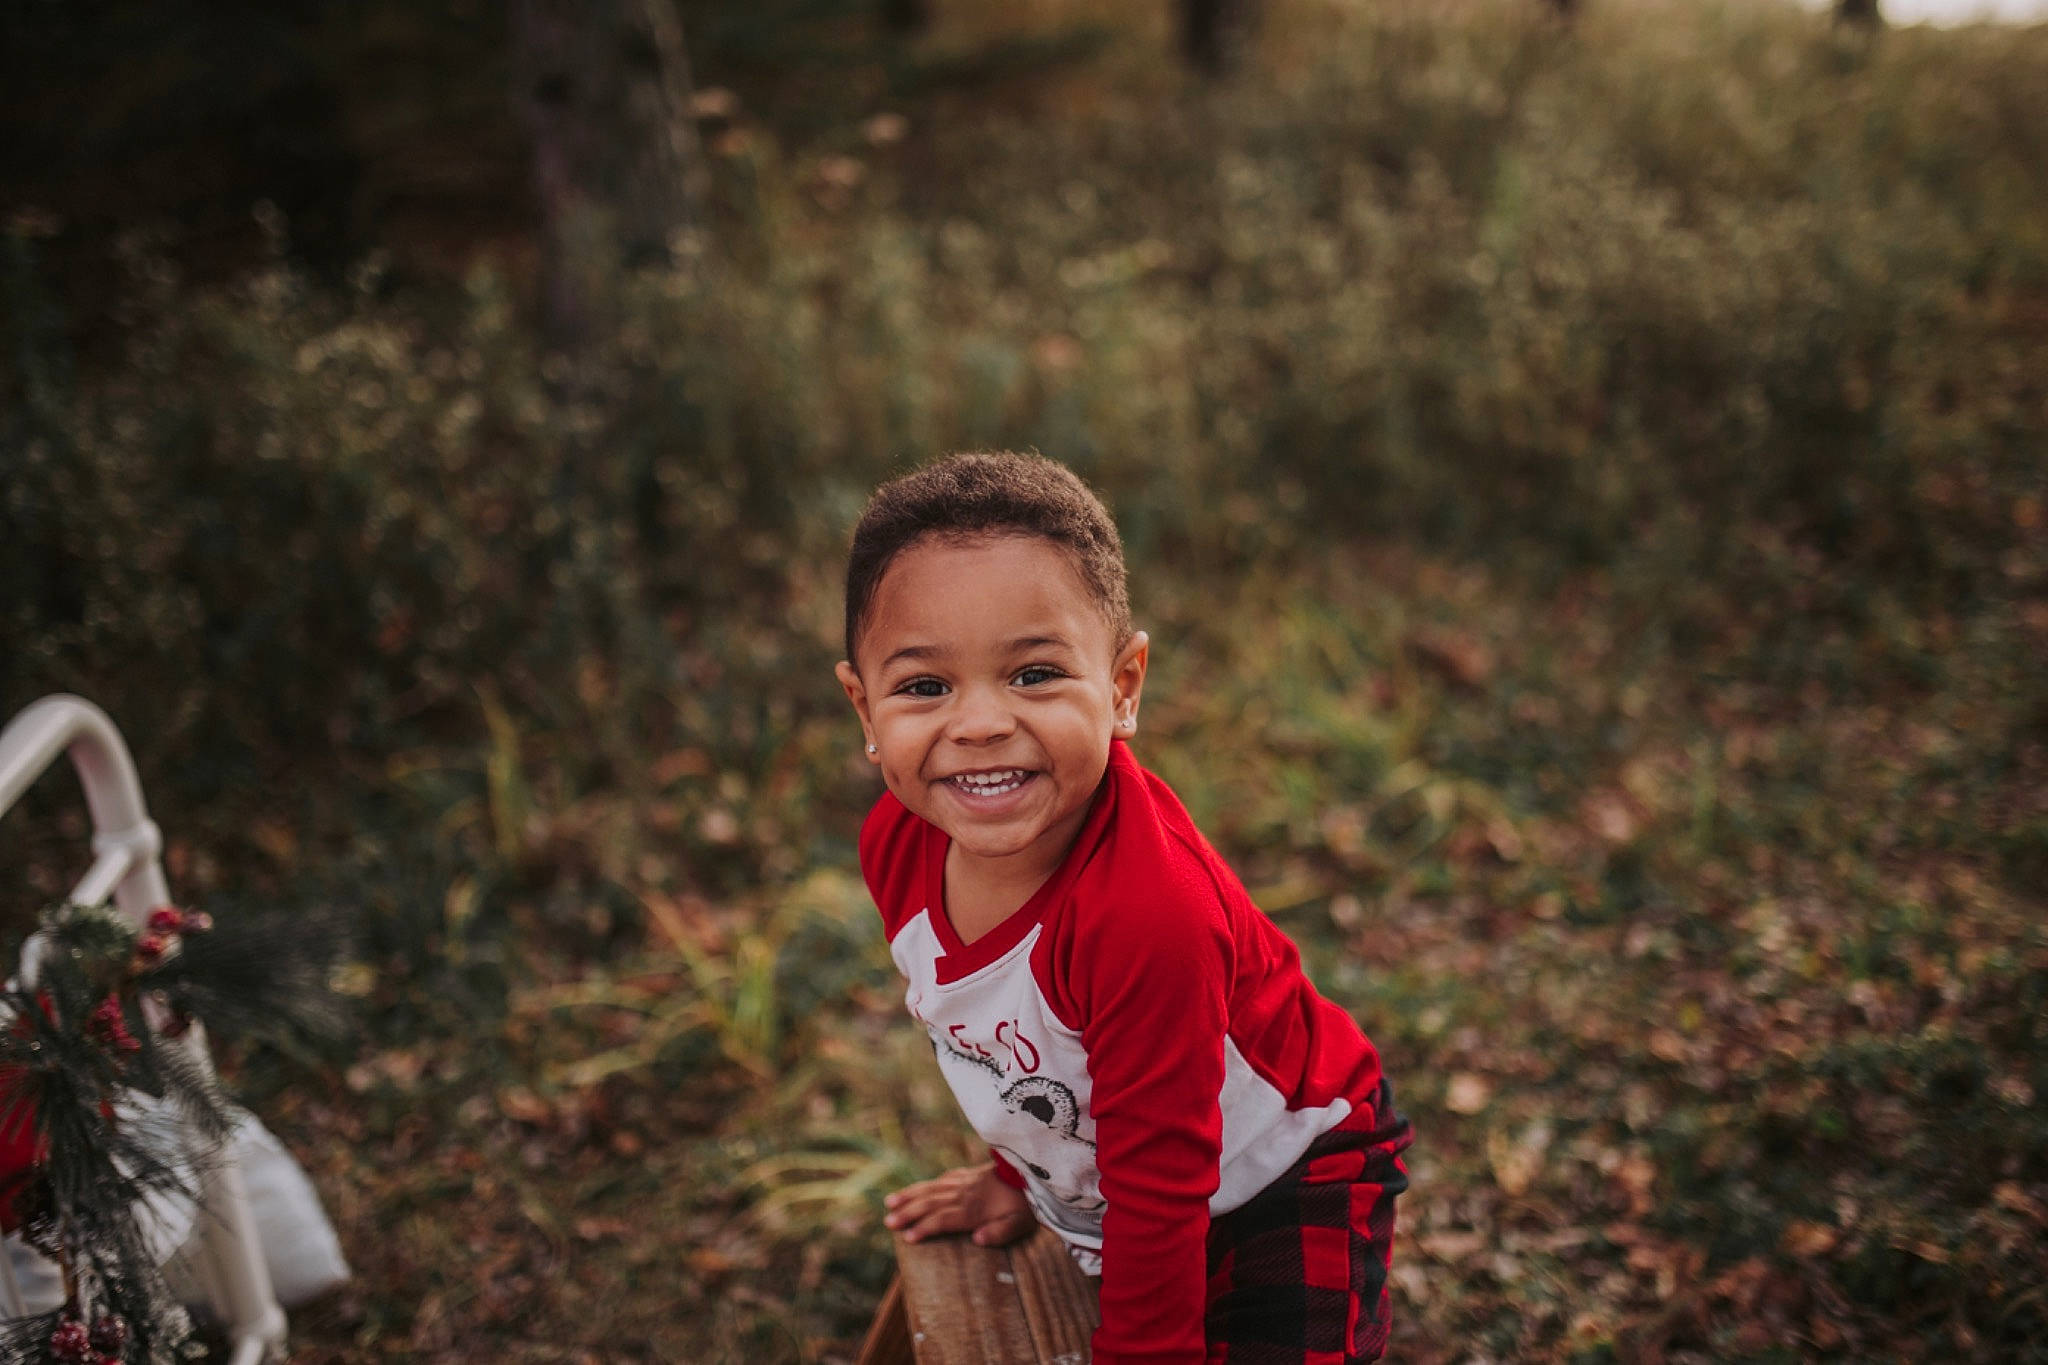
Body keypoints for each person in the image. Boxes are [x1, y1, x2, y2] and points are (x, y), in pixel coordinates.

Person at [836, 451, 1412, 1364]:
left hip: (1285, 1167)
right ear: (864, 709)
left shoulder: (1148, 917)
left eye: (1033, 674)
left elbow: (1161, 1187)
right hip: (1134, 1167)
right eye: (924, 686)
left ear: (1123, 687)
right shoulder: (898, 846)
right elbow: (1012, 1050)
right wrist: (1013, 1178)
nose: (980, 722)